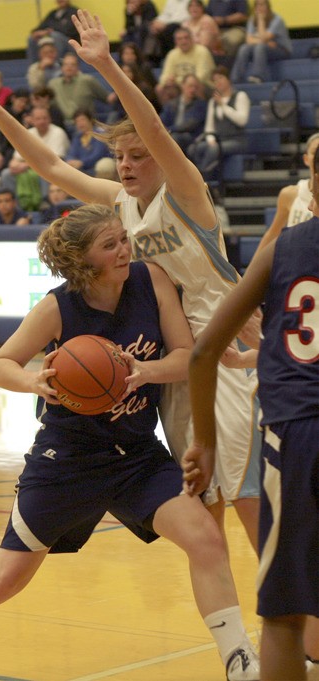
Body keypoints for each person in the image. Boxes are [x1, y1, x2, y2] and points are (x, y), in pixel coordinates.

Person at [0, 203, 258, 681]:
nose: (125, 250)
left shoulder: (151, 279)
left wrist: (143, 371)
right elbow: (0, 364)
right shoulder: (58, 307)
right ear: (84, 260)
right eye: (111, 244)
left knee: (205, 539)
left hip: (136, 456)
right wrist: (35, 380)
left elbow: (187, 357)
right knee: (4, 581)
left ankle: (239, 661)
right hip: (67, 461)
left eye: (124, 238)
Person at [0, 8, 262, 560]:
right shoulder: (118, 204)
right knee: (204, 499)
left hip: (225, 349)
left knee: (246, 493)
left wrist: (105, 65)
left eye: (136, 156)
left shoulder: (188, 194)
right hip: (176, 360)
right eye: (119, 157)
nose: (125, 165)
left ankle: (292, 623)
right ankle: (238, 629)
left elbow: (151, 126)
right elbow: (54, 169)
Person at [181, 148, 319, 681]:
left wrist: (205, 444)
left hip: (297, 434)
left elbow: (201, 353)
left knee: (283, 614)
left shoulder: (283, 249)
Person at [254, 131, 319, 256]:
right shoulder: (289, 194)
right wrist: (251, 269)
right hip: (295, 264)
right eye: (314, 153)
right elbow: (272, 234)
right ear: (306, 159)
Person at [187, 65, 250, 182]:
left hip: (237, 140)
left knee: (214, 149)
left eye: (220, 78)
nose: (218, 82)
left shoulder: (240, 96)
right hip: (218, 140)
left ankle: (201, 181)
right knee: (193, 148)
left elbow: (242, 120)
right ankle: (202, 178)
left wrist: (223, 105)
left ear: (228, 79)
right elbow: (209, 127)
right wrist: (211, 139)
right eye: (215, 80)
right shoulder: (213, 101)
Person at [48, 53, 116, 129]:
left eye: (72, 64)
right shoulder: (53, 84)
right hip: (61, 125)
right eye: (66, 64)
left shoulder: (87, 80)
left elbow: (108, 98)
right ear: (62, 68)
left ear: (78, 67)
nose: (69, 67)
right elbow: (47, 104)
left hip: (85, 125)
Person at [230, 0, 292, 84]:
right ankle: (235, 78)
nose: (259, 7)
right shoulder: (252, 19)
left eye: (262, 5)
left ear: (268, 7)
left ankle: (258, 76)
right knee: (244, 48)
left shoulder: (277, 20)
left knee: (260, 47)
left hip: (281, 49)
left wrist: (261, 20)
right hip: (265, 47)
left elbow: (263, 38)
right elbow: (249, 40)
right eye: (257, 5)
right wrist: (265, 42)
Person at [156, 26, 216, 100]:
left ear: (192, 39)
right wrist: (166, 82)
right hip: (179, 86)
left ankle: (196, 111)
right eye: (180, 39)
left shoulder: (202, 51)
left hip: (203, 85)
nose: (183, 41)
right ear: (176, 42)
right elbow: (165, 75)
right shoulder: (172, 54)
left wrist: (177, 81)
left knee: (193, 86)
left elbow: (201, 77)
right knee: (160, 88)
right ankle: (169, 111)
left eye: (186, 38)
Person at [160, 73, 207, 154]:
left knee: (173, 138)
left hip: (190, 136)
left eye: (195, 87)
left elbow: (189, 125)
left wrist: (170, 130)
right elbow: (162, 121)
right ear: (182, 85)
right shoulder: (172, 103)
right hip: (171, 134)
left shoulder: (200, 105)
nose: (192, 89)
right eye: (190, 86)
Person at [143, 0, 190, 66]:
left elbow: (185, 16)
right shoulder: (171, 1)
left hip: (181, 25)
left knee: (170, 28)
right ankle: (151, 58)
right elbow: (165, 14)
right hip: (168, 24)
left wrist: (165, 24)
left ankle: (166, 58)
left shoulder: (189, 1)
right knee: (149, 27)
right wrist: (157, 21)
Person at [66, 109, 112, 174]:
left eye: (82, 120)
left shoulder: (99, 133)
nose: (80, 124)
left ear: (90, 120)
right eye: (77, 121)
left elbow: (97, 155)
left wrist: (82, 163)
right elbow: (71, 153)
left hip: (96, 166)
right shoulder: (77, 137)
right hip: (81, 168)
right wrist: (70, 161)